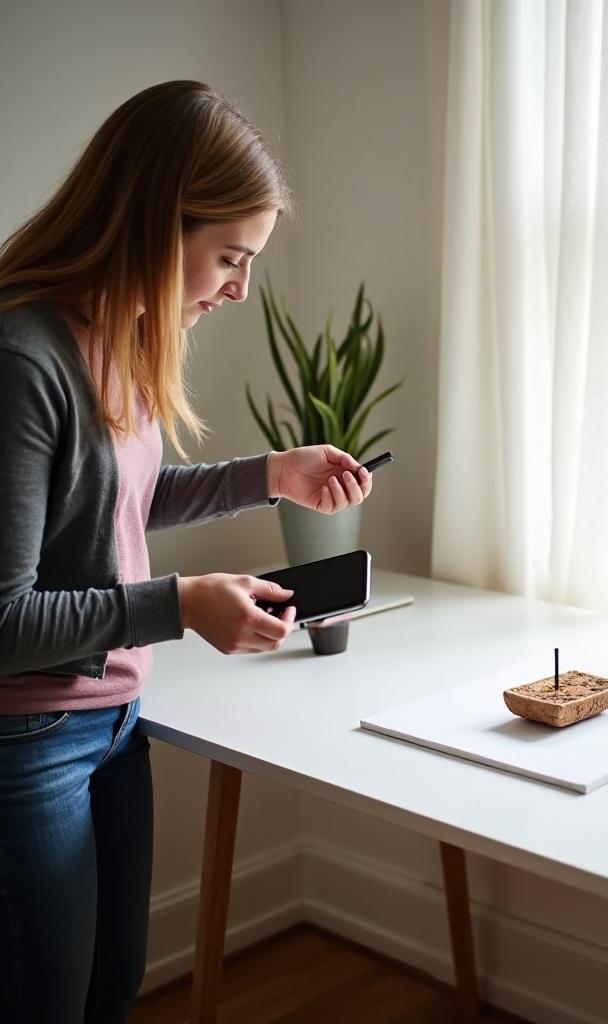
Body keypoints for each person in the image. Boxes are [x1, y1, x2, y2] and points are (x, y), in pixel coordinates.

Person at [0, 80, 373, 1023]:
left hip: (114, 724)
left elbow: (108, 505)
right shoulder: (24, 361)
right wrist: (180, 603)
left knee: (110, 989)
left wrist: (269, 475)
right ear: (153, 226)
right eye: (228, 258)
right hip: (26, 741)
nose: (240, 289)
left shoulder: (110, 340)